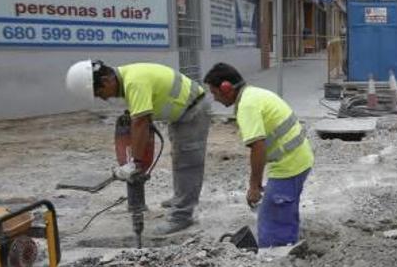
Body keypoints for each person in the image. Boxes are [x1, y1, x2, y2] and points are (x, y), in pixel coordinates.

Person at [65, 60, 210, 236]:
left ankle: (182, 216)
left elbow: (140, 121)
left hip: (193, 111)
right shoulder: (128, 79)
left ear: (106, 80)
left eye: (100, 93)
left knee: (188, 162)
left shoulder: (134, 82)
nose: (104, 98)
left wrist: (135, 163)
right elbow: (140, 118)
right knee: (180, 157)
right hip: (181, 112)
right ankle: (181, 198)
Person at [203, 63, 313, 249]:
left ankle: (275, 259)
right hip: (297, 158)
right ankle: (288, 245)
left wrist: (254, 186)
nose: (214, 98)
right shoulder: (253, 94)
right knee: (283, 210)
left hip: (290, 165)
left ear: (226, 88)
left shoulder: (247, 106)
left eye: (214, 93)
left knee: (271, 220)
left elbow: (258, 147)